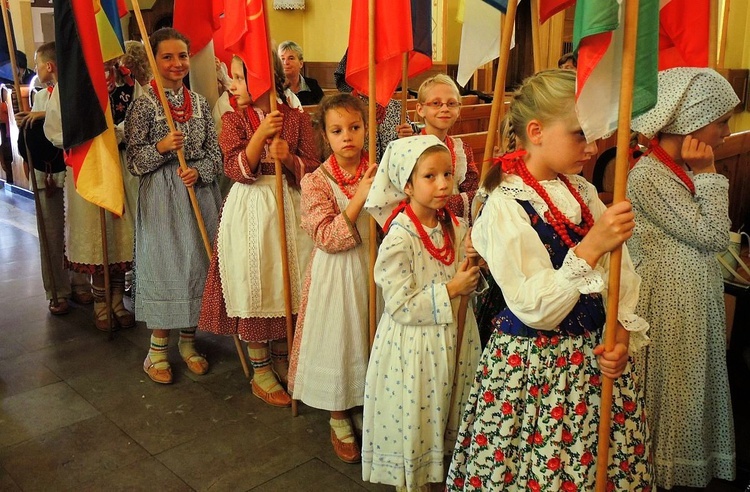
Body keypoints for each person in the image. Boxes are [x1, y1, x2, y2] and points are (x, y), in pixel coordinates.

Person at [447, 70, 652, 491]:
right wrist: (591, 247)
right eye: (580, 134)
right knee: (539, 468)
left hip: (592, 363)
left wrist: (619, 332)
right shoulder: (504, 205)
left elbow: (622, 273)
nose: (593, 147)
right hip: (536, 370)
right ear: (536, 132)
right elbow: (533, 306)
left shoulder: (582, 191)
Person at [627, 67, 739, 490]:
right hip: (672, 295)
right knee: (677, 385)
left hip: (692, 290)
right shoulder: (651, 175)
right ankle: (668, 469)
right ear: (691, 122)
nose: (726, 131)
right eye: (720, 121)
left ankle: (695, 461)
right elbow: (712, 235)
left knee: (694, 380)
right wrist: (709, 175)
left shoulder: (678, 168)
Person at [361, 135, 482, 491]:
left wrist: (477, 264)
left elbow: (470, 278)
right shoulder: (400, 237)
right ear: (407, 184)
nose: (443, 184)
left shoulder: (457, 227)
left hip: (458, 335)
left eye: (447, 173)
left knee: (451, 407)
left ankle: (445, 473)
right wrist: (452, 289)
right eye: (430, 176)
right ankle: (412, 480)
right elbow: (399, 304)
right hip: (416, 347)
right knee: (420, 414)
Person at [198, 55, 318, 406]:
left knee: (288, 279)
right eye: (232, 78)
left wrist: (290, 159)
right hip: (251, 205)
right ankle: (260, 366)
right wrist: (260, 138)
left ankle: (283, 356)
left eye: (239, 78)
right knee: (256, 281)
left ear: (265, 79)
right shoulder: (234, 119)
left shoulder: (296, 118)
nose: (232, 86)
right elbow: (233, 167)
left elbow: (312, 166)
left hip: (288, 204)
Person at [125, 28, 223, 384]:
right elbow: (134, 161)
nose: (177, 63)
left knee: (198, 265)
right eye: (167, 56)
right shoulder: (143, 105)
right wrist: (163, 147)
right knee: (168, 266)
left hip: (198, 193)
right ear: (154, 61)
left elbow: (217, 154)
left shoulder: (197, 103)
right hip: (162, 199)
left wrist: (201, 170)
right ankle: (156, 351)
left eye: (182, 55)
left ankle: (188, 342)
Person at [287, 93, 377, 464]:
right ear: (325, 135)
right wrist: (359, 199)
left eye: (355, 128)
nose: (347, 137)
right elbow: (325, 236)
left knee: (368, 336)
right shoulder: (315, 181)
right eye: (338, 130)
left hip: (375, 267)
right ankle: (338, 413)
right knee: (340, 339)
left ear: (366, 129)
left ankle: (361, 399)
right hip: (336, 274)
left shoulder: (377, 170)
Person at [44, 54, 136, 331]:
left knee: (120, 236)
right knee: (96, 239)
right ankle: (101, 304)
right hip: (87, 167)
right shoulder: (69, 85)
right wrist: (90, 133)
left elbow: (140, 117)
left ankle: (118, 301)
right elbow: (54, 129)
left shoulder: (128, 83)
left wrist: (117, 134)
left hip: (121, 165)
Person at [15, 42, 92, 315]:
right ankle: (57, 290)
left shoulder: (74, 92)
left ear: (49, 66)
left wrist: (44, 115)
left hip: (71, 168)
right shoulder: (38, 96)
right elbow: (37, 133)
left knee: (77, 228)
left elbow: (76, 121)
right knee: (51, 232)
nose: (35, 69)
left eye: (37, 64)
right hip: (46, 171)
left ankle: (81, 282)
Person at [407, 74, 479, 222]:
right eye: (436, 103)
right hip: (420, 225)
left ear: (458, 109)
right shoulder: (409, 150)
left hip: (455, 224)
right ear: (421, 109)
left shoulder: (462, 150)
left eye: (451, 103)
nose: (445, 108)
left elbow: (472, 193)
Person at [333, 51, 413, 162]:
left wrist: (408, 139)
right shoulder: (343, 109)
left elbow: (408, 154)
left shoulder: (397, 108)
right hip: (359, 175)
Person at [278, 41, 324, 106]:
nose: (285, 62)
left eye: (291, 58)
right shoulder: (276, 88)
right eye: (282, 59)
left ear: (301, 63)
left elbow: (323, 110)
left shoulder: (312, 85)